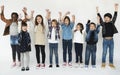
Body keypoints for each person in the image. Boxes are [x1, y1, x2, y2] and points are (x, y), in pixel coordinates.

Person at [96, 3, 118, 68]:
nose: (106, 19)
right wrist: (97, 11)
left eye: (107, 18)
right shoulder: (103, 24)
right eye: (105, 18)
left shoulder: (112, 23)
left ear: (110, 19)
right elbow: (100, 18)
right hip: (105, 40)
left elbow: (115, 16)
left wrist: (116, 8)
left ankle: (111, 63)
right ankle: (103, 62)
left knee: (111, 52)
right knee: (104, 52)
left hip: (111, 40)